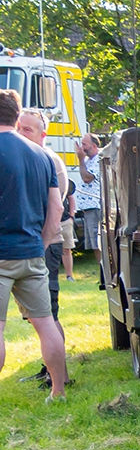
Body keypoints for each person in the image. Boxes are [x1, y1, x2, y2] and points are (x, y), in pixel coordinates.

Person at [0, 90, 68, 400]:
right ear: (16, 116)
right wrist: (39, 245)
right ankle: (58, 390)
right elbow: (57, 208)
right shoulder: (42, 155)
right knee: (46, 324)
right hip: (31, 252)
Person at [17, 109, 71, 353]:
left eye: (27, 129)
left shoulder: (47, 159)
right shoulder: (27, 156)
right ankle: (49, 370)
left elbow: (54, 208)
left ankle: (59, 377)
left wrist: (41, 245)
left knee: (48, 313)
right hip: (33, 244)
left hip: (45, 244)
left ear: (43, 134)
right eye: (19, 128)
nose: (21, 133)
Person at [74, 131, 102, 285]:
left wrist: (80, 160)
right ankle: (102, 274)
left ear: (94, 145)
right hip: (89, 207)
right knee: (94, 244)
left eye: (84, 144)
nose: (82, 147)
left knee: (98, 242)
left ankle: (105, 275)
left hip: (96, 206)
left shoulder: (98, 160)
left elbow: (87, 177)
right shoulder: (89, 160)